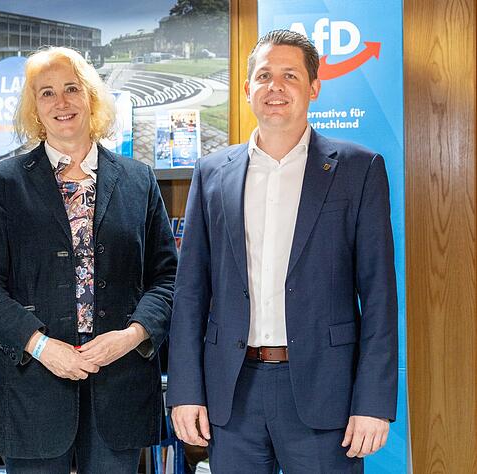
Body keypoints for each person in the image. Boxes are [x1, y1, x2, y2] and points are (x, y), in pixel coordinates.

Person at [167, 30, 397, 473]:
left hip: (325, 393)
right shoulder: (212, 173)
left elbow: (380, 294)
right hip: (232, 393)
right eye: (264, 75)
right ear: (248, 88)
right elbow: (190, 293)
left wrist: (373, 401)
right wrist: (186, 390)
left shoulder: (357, 169)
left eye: (290, 75)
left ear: (314, 87)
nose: (275, 87)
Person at [0, 47, 177, 473]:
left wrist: (131, 336)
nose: (61, 102)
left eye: (71, 89)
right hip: (32, 388)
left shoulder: (138, 180)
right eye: (46, 93)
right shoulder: (3, 183)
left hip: (119, 385)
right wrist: (41, 346)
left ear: (92, 98)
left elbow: (167, 279)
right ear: (34, 109)